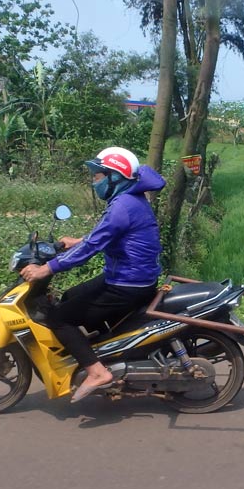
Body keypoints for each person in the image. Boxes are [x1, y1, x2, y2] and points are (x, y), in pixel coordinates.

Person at [20, 147, 166, 403]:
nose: (94, 182)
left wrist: (46, 268)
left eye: (98, 177)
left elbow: (92, 248)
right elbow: (104, 236)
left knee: (58, 317)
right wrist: (77, 240)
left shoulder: (123, 206)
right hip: (129, 277)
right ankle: (103, 351)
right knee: (71, 295)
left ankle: (97, 372)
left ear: (115, 177)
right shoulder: (129, 199)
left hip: (127, 284)